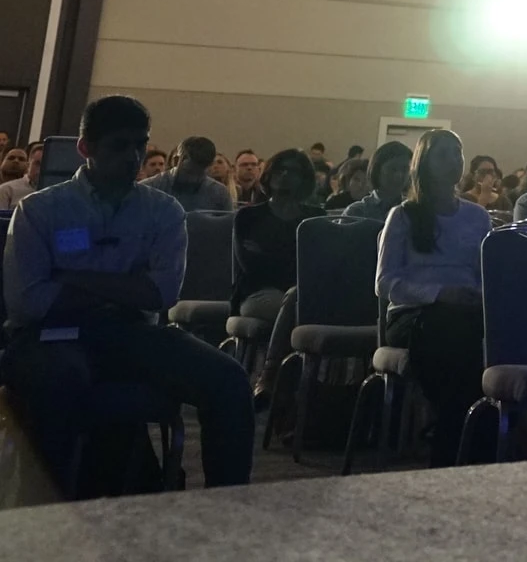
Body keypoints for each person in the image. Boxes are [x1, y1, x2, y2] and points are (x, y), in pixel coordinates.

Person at [2, 95, 253, 488]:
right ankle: (49, 518)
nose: (134, 157)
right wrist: (128, 286)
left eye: (141, 144)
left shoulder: (163, 211)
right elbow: (29, 303)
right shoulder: (40, 210)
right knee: (62, 380)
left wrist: (70, 276)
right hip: (47, 336)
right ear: (86, 148)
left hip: (130, 333)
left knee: (230, 380)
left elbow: (162, 294)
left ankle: (227, 511)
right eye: (120, 146)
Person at [375, 130, 486, 465]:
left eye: (458, 152)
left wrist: (474, 296)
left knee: (475, 330)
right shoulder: (405, 215)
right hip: (413, 315)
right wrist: (440, 293)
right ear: (424, 163)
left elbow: (486, 275)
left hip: (466, 313)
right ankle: (470, 436)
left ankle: (455, 440)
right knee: (449, 329)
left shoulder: (477, 216)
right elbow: (385, 283)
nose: (454, 161)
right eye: (443, 154)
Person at [230, 148, 323, 399]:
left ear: (304, 179)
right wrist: (291, 266)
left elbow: (319, 266)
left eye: (293, 171)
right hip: (257, 294)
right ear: (269, 175)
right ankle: (273, 376)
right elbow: (251, 266)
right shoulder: (249, 216)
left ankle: (278, 382)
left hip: (302, 295)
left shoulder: (315, 218)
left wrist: (271, 257)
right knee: (295, 301)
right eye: (280, 170)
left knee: (295, 299)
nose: (285, 175)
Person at [143, 137, 234, 214]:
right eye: (190, 172)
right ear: (176, 161)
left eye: (201, 174)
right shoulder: (147, 190)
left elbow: (228, 231)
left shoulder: (220, 194)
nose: (195, 179)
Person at [346, 141, 414, 223]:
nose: (399, 175)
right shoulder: (357, 212)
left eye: (405, 169)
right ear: (377, 170)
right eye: (392, 169)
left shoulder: (412, 210)